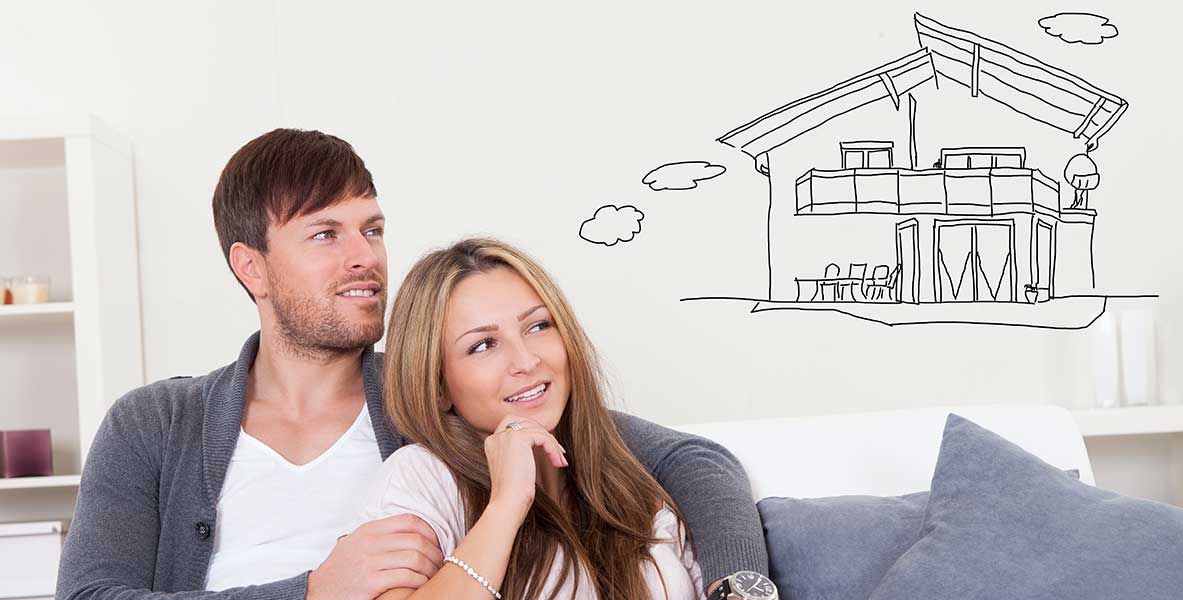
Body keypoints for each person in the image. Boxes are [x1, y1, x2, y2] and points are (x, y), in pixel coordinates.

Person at [56, 128, 768, 600]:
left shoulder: (441, 395)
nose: (364, 256)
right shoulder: (155, 425)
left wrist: (737, 583)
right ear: (253, 268)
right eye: (326, 235)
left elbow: (692, 461)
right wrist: (312, 592)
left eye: (371, 228)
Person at [364, 237, 703, 599]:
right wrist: (507, 504)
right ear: (437, 387)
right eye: (483, 345)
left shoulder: (632, 483)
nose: (526, 361)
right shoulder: (422, 478)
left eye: (538, 326)